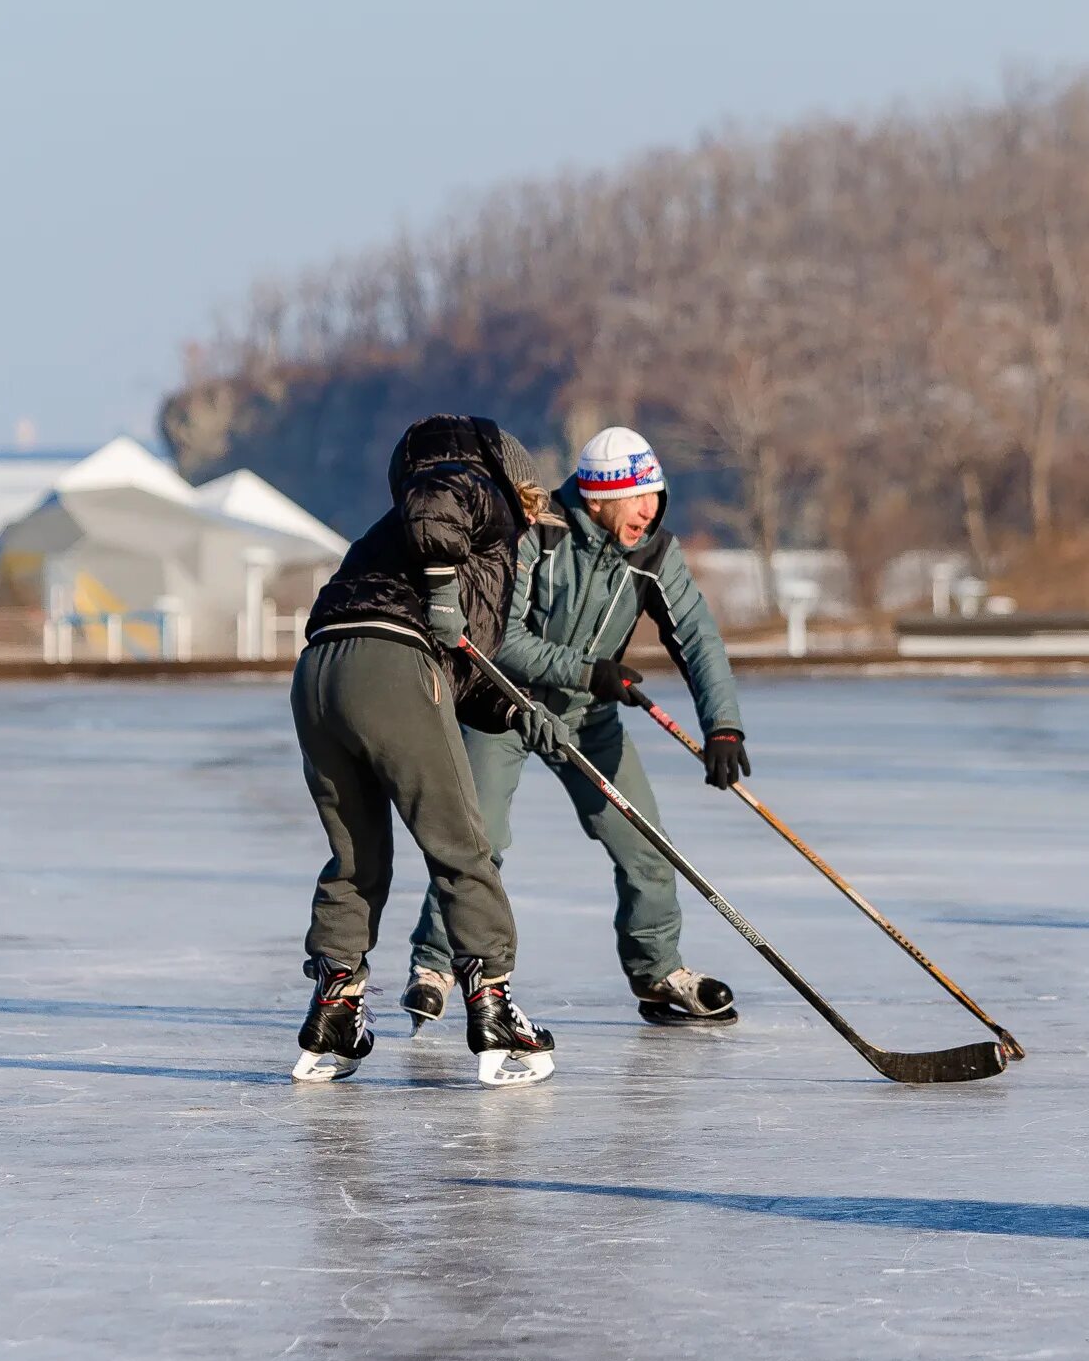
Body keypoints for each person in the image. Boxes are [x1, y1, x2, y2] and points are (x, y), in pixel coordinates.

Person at [403, 425, 750, 1030]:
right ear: (599, 499)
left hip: (588, 718)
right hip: (503, 706)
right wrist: (590, 671)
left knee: (647, 846)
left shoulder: (652, 554)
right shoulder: (538, 533)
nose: (651, 508)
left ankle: (657, 971)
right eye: (638, 496)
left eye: (656, 494)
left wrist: (723, 727)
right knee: (478, 841)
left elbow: (699, 638)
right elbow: (502, 640)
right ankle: (435, 964)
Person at [287, 414, 572, 1087]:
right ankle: (493, 1004)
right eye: (535, 514)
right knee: (460, 844)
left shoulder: (393, 537)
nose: (534, 532)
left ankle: (335, 1004)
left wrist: (517, 711)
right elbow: (436, 505)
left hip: (321, 672)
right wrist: (443, 586)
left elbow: (459, 676)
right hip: (391, 663)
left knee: (357, 855)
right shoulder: (471, 485)